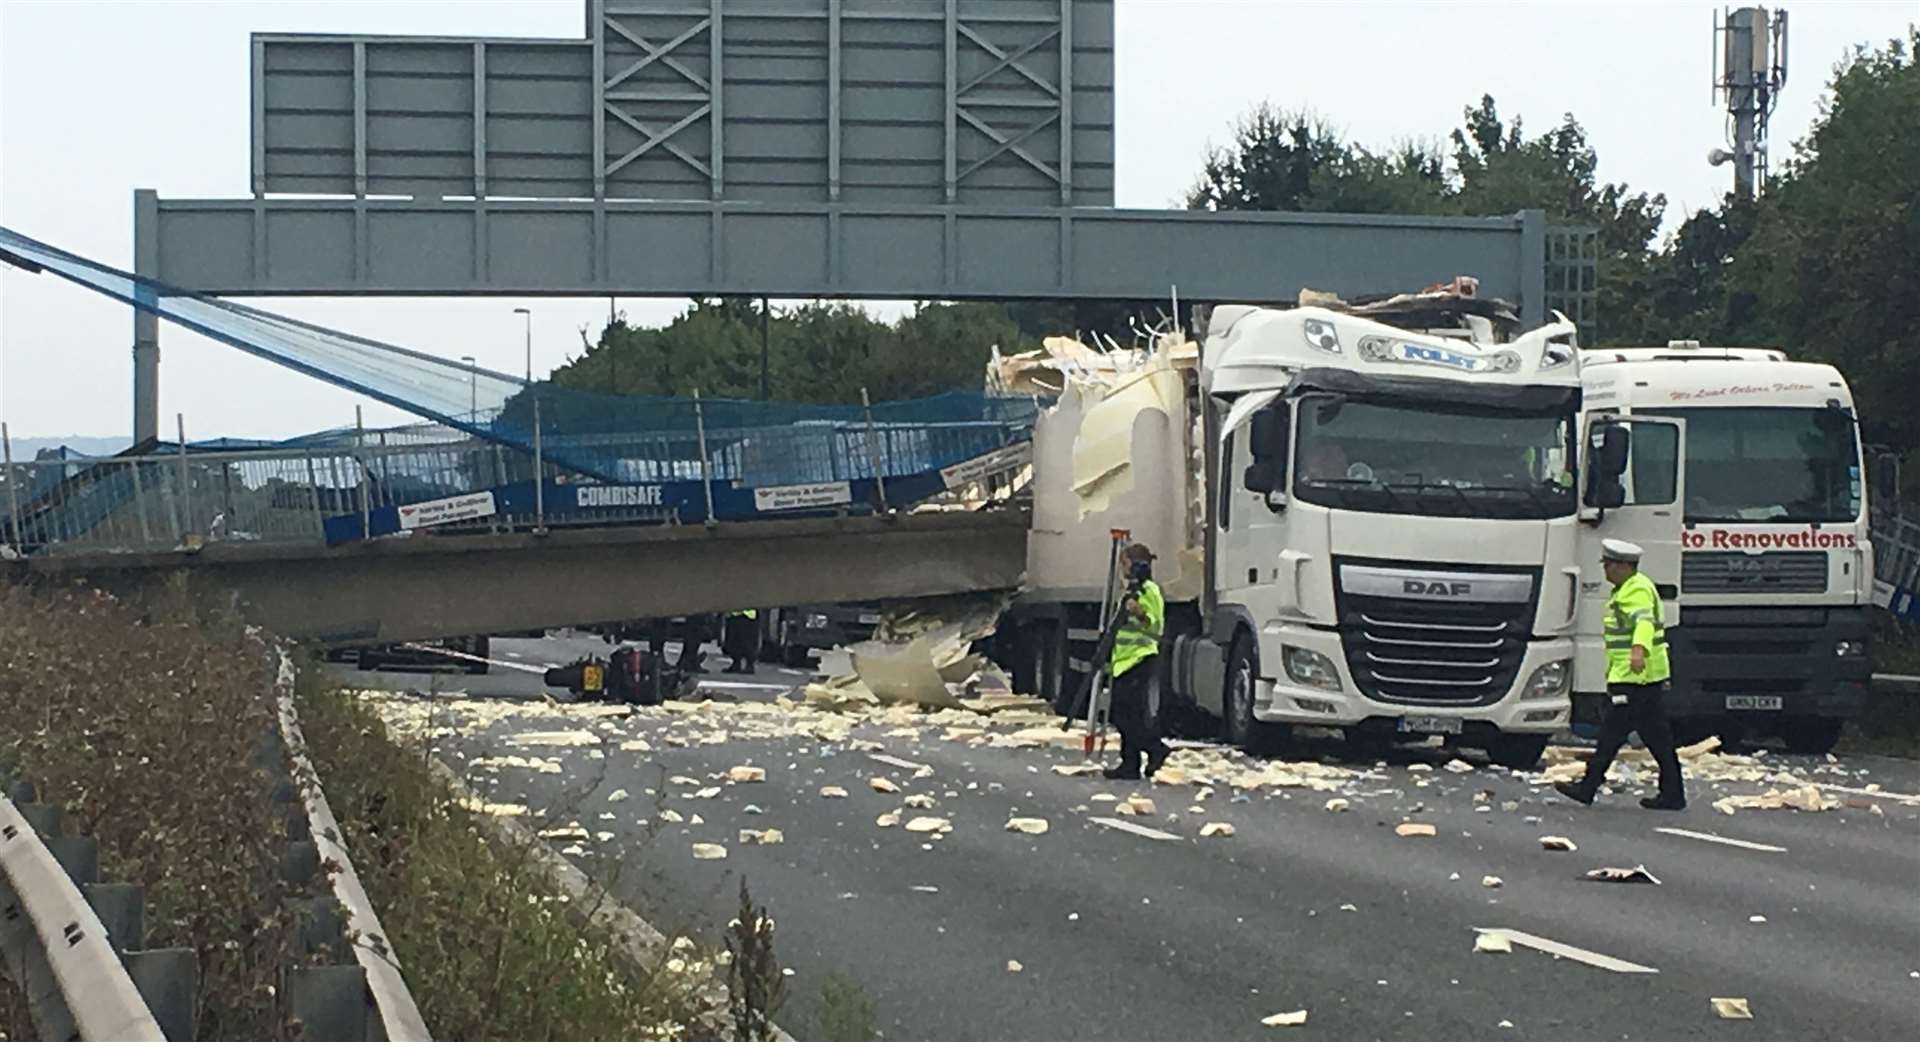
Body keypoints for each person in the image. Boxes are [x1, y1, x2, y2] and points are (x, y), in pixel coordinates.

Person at [1555, 539, 1686, 810]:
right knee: (1657, 737)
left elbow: (1644, 623)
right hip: (1643, 676)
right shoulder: (1629, 587)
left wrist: (1638, 650)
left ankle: (1588, 786)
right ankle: (1673, 793)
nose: (1605, 570)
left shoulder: (1634, 590)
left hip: (1635, 676)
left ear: (1624, 566)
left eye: (1610, 565)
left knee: (1611, 734)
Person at [1105, 543, 1170, 781]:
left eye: (1125, 564)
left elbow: (1154, 623)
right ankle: (1130, 764)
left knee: (1127, 715)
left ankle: (1155, 748)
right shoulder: (1134, 590)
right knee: (1127, 714)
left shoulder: (1149, 591)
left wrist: (1139, 611)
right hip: (1124, 660)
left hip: (1140, 658)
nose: (1123, 569)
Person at [721, 608, 761, 675]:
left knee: (748, 640)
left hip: (749, 614)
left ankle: (750, 665)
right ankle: (736, 663)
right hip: (735, 612)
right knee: (733, 639)